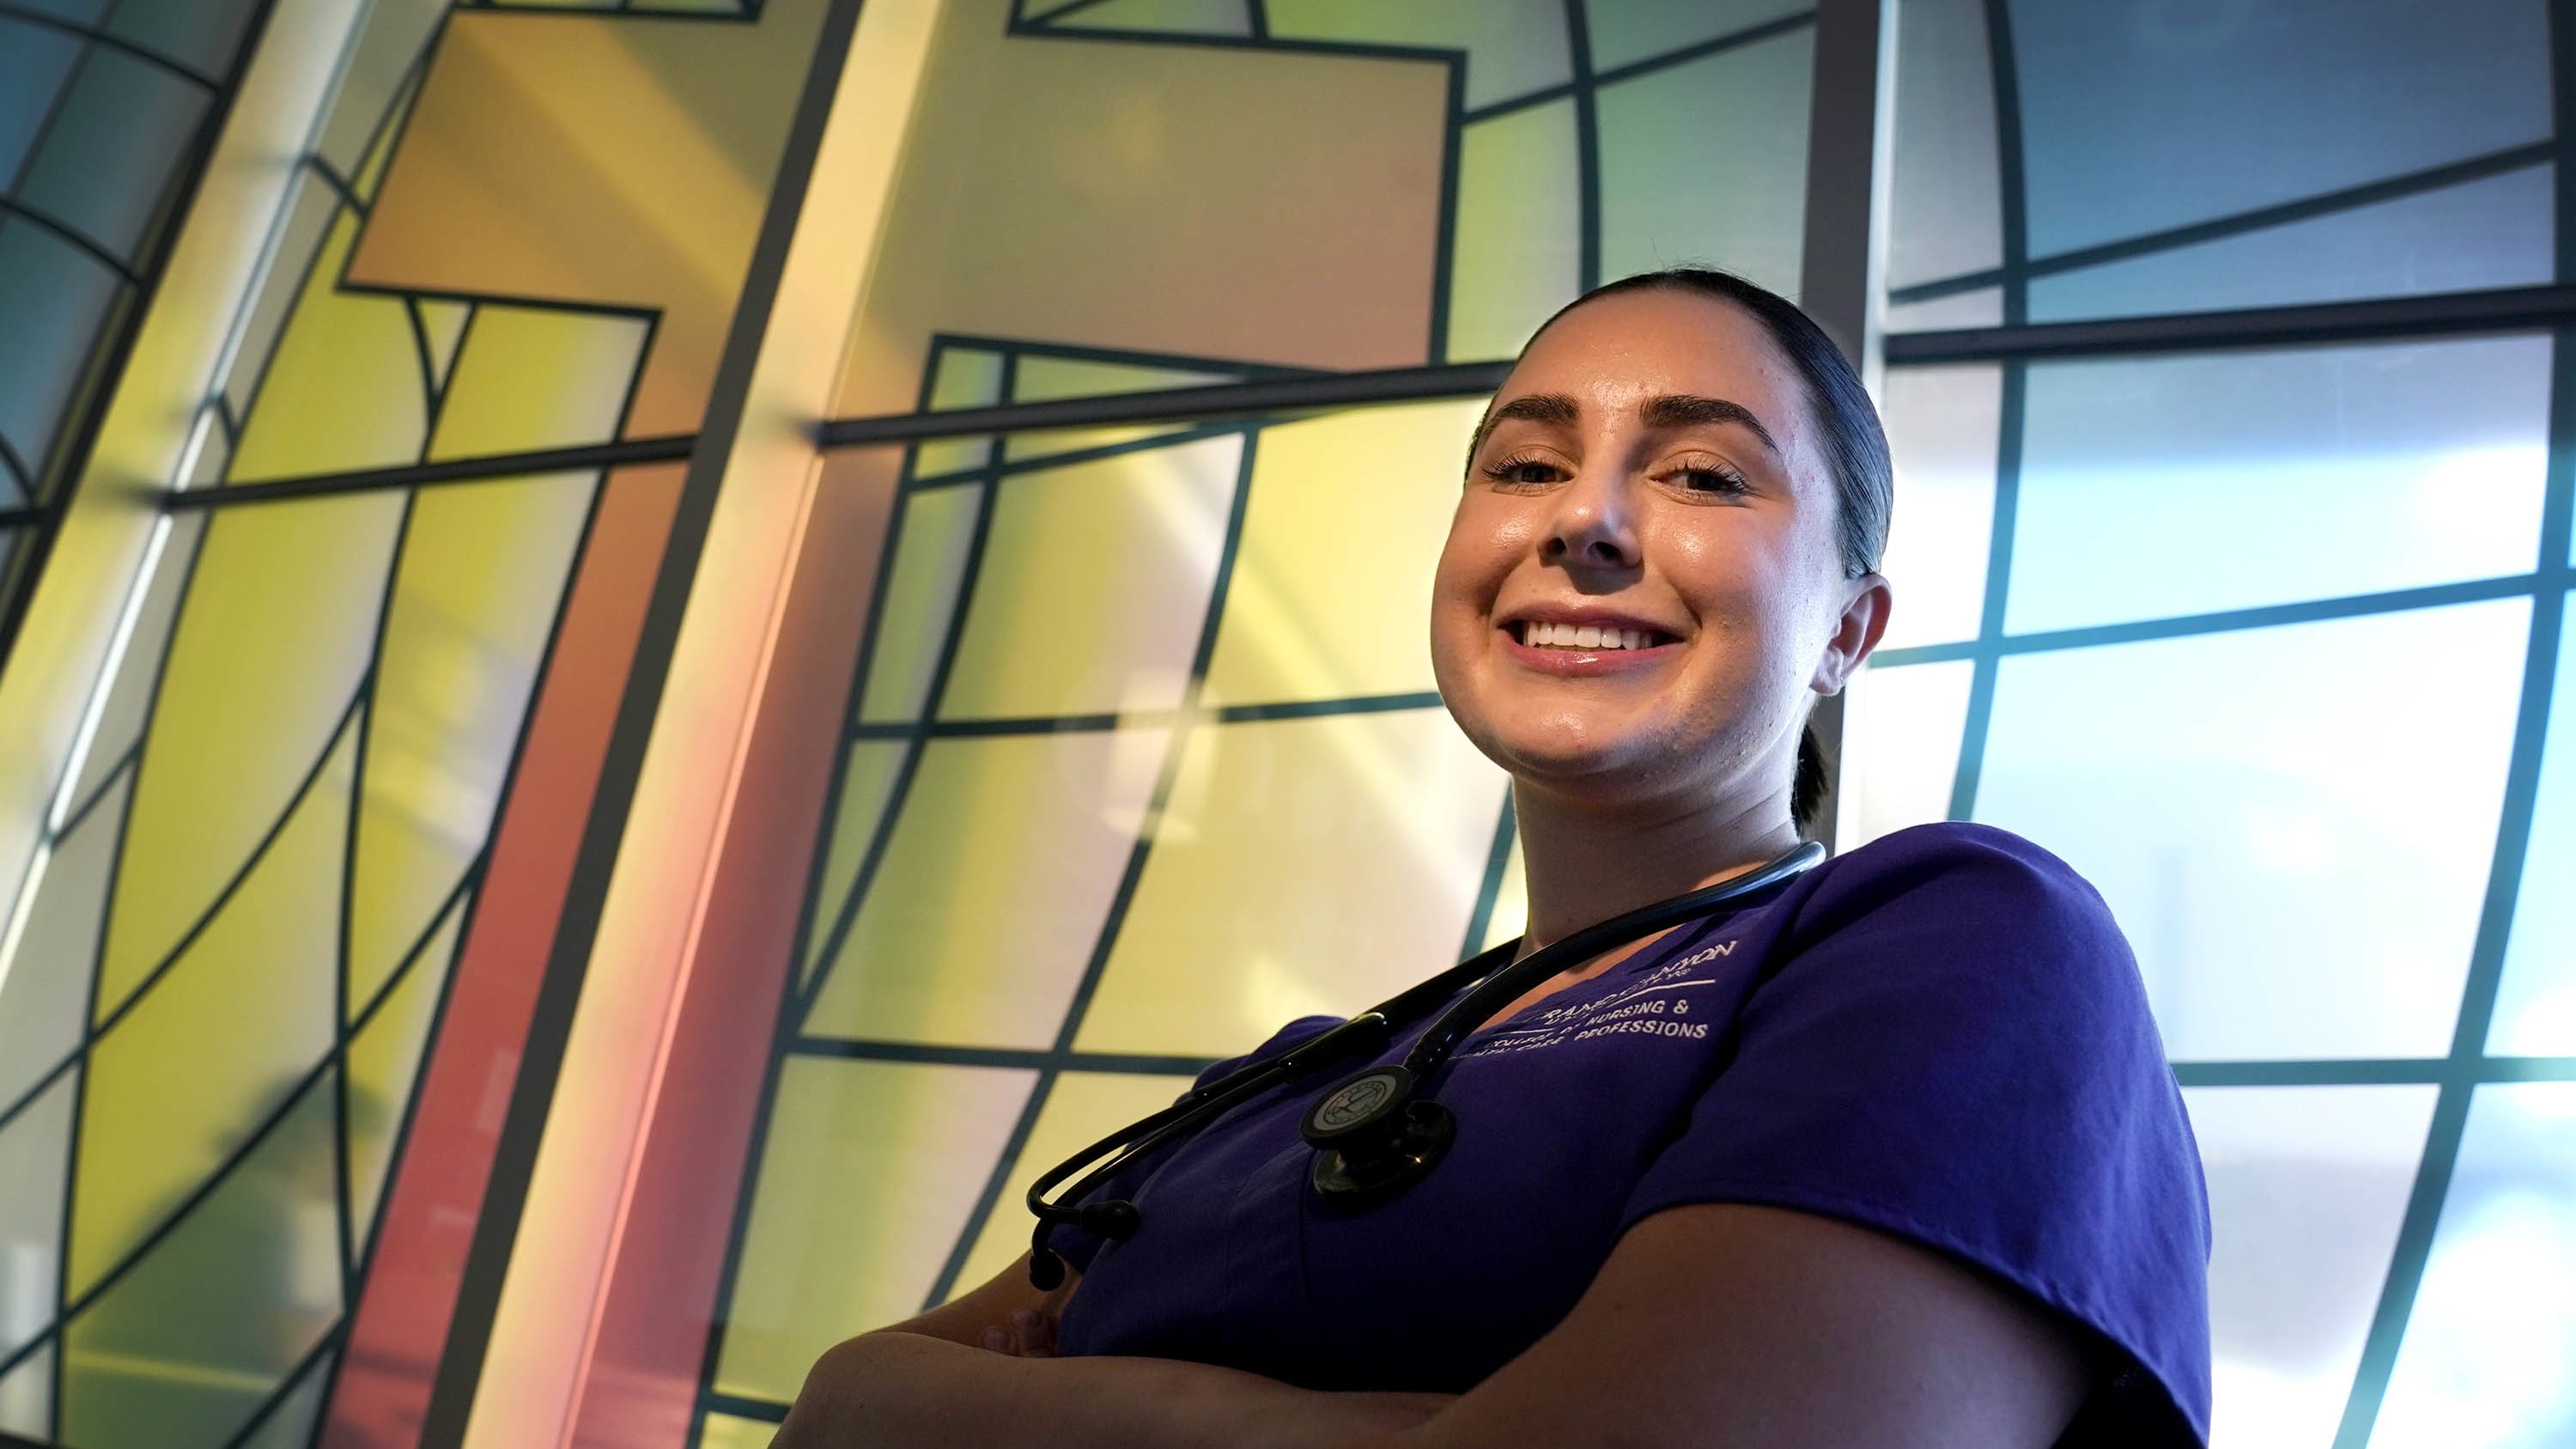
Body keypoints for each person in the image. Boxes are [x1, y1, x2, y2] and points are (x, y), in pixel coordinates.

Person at [774, 268, 2212, 1448]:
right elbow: (844, 1402)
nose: (1582, 521)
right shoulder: (1299, 1075)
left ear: (1847, 630)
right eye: (1524, 464)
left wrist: (1103, 1401)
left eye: (1704, 473)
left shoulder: (1965, 942)